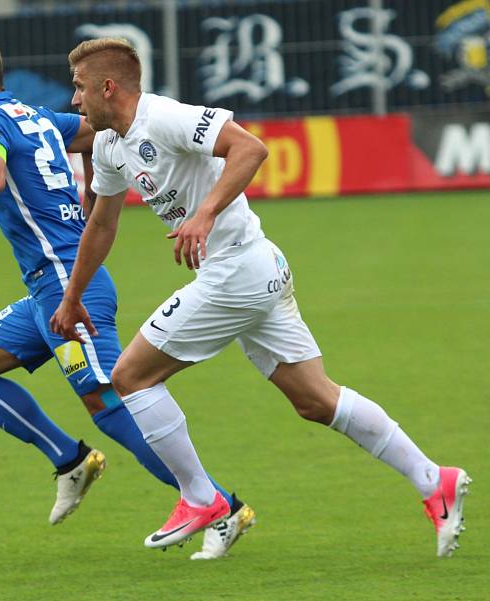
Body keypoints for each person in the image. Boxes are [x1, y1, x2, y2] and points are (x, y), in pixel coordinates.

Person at [50, 38, 471, 557]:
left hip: (236, 272)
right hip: (257, 270)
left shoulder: (164, 117)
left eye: (79, 88)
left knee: (131, 377)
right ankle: (435, 480)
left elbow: (250, 148)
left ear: (107, 87)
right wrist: (73, 297)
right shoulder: (111, 144)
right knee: (316, 400)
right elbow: (101, 225)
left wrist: (203, 214)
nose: (74, 101)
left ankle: (202, 500)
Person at [0, 34, 254, 558]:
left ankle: (222, 505)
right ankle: (70, 460)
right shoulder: (33, 116)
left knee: (111, 400)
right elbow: (95, 134)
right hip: (45, 287)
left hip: (68, 285)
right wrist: (92, 195)